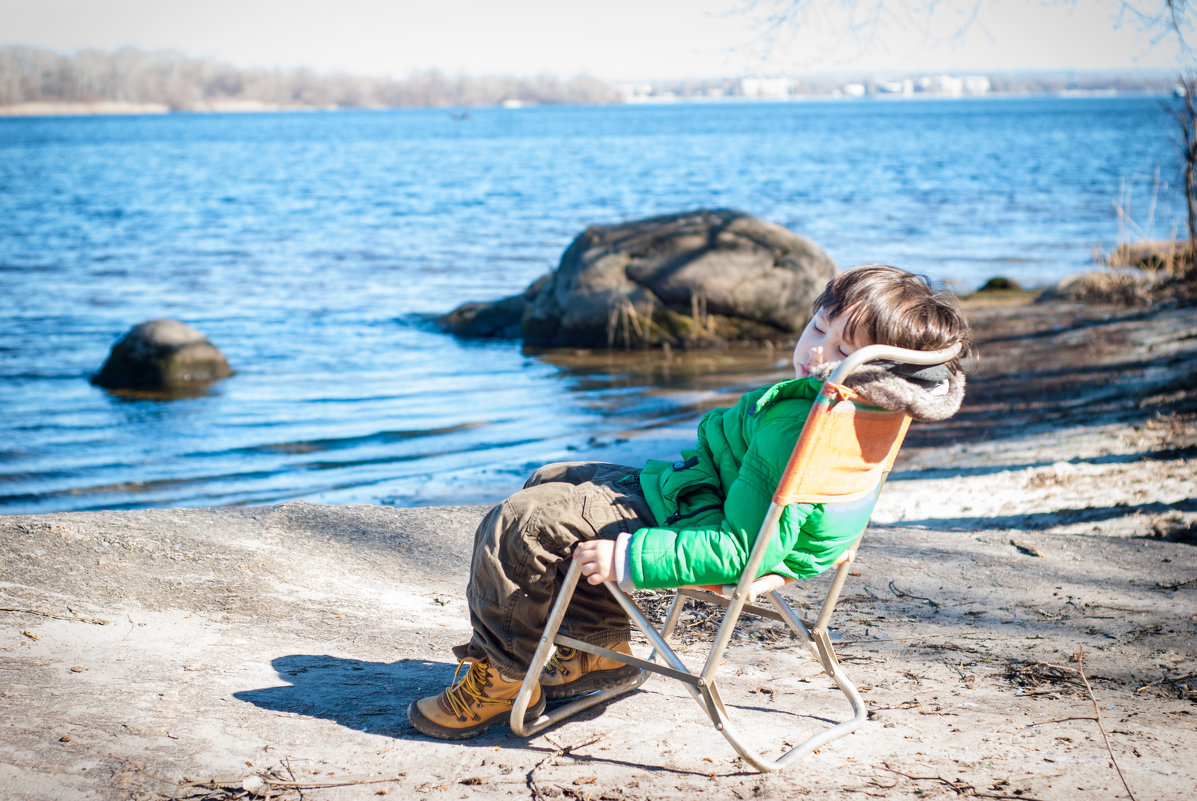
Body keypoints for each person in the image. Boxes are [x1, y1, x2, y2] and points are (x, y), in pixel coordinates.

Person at [408, 264, 972, 740]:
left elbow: (742, 549)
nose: (817, 350)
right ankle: (596, 648)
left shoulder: (799, 432)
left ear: (883, 373)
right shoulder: (861, 408)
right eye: (819, 327)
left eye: (844, 348)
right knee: (550, 478)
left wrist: (632, 559)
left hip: (716, 527)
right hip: (713, 494)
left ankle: (505, 674)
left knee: (522, 525)